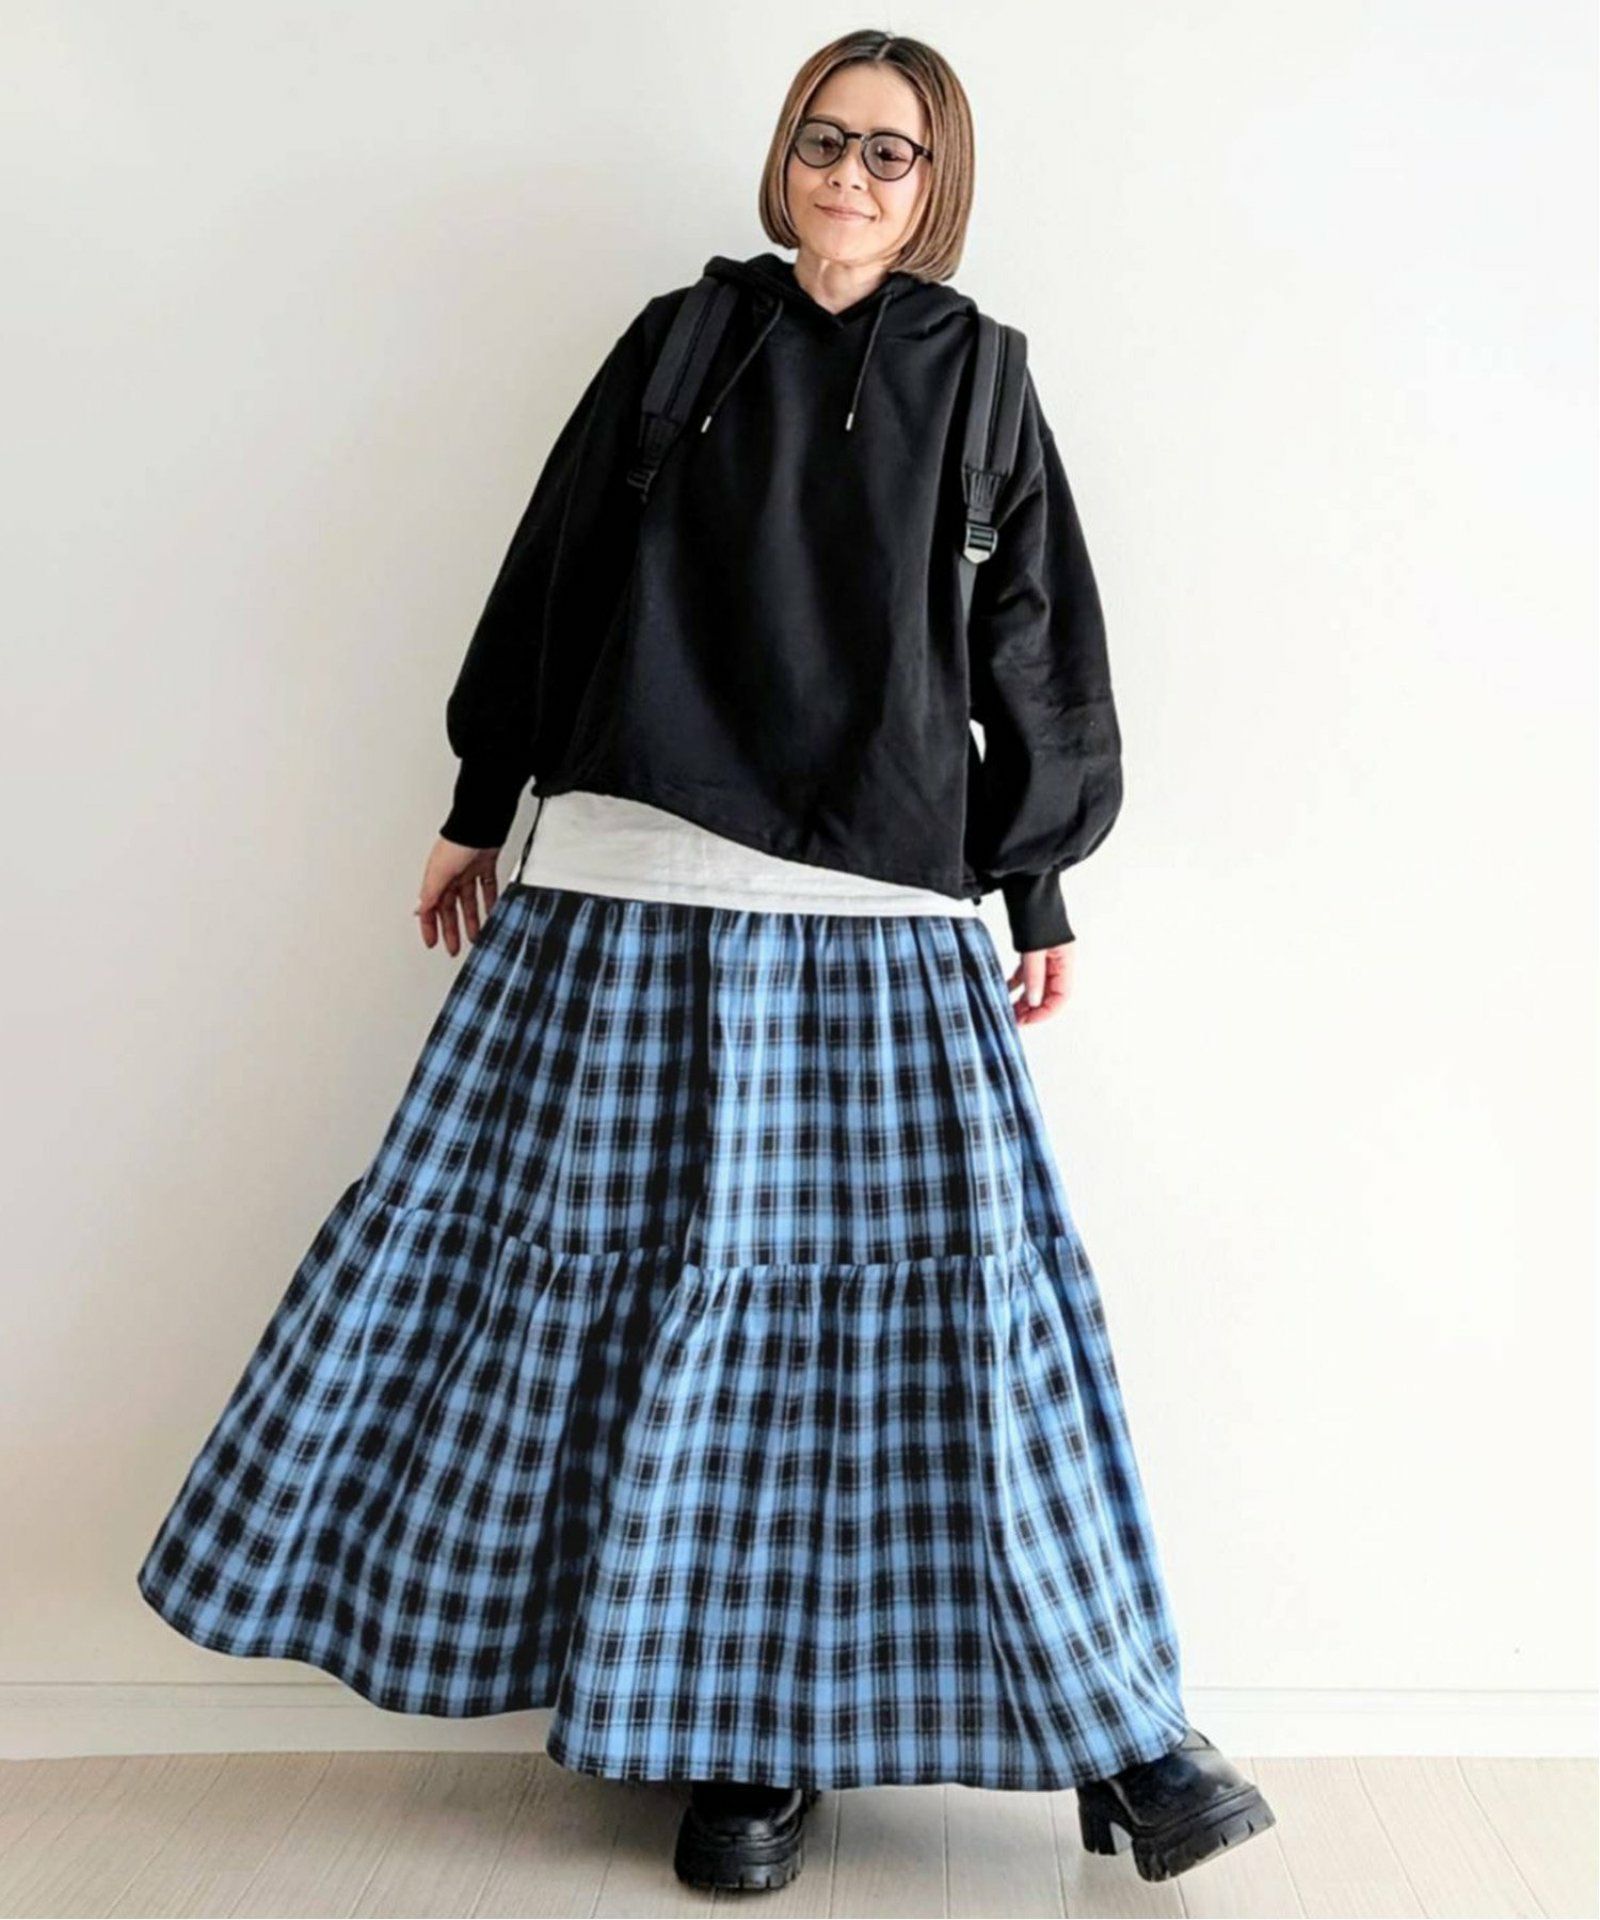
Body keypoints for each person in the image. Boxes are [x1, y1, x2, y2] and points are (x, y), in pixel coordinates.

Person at [137, 27, 1277, 1898]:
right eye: (824, 139)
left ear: (938, 183)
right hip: (630, 881)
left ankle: (1124, 1730)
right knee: (656, 1306)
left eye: (891, 151)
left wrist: (1039, 890)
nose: (850, 173)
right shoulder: (682, 342)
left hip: (879, 906)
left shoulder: (982, 379)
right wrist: (478, 800)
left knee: (964, 1330)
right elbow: (556, 574)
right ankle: (738, 1750)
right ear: (783, 156)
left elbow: (1037, 645)